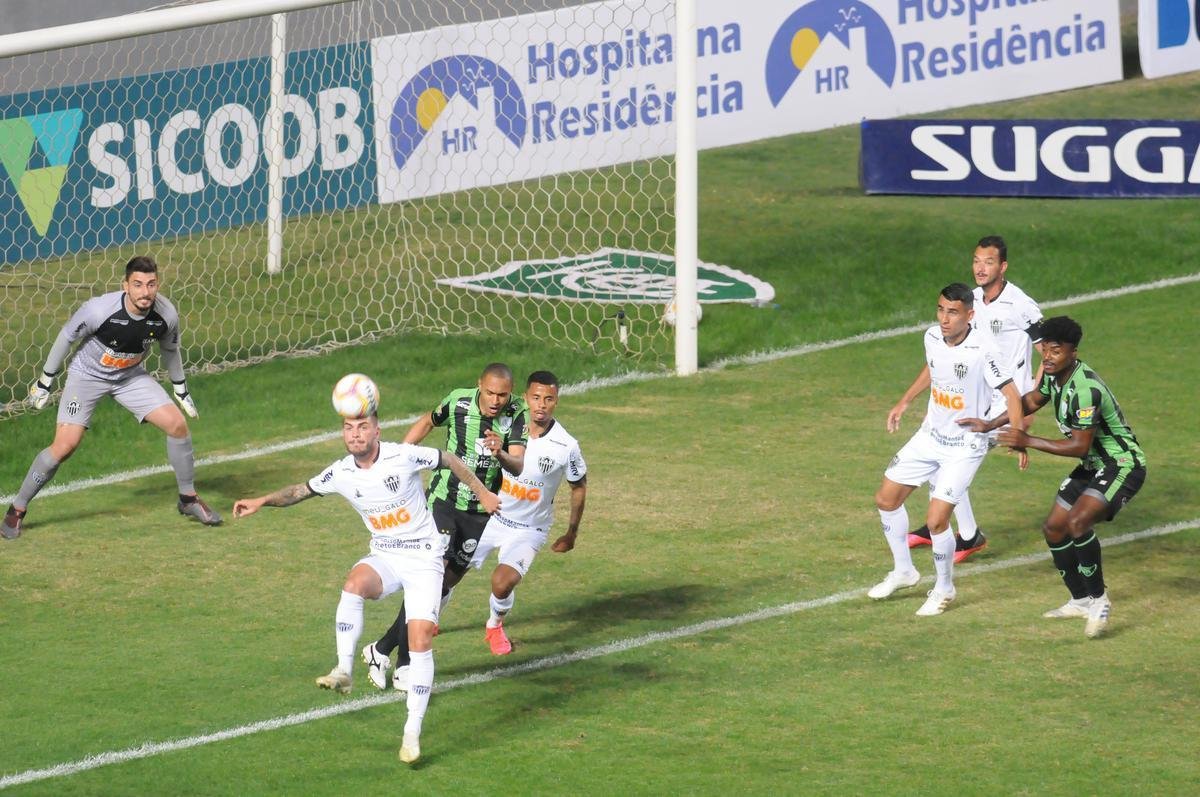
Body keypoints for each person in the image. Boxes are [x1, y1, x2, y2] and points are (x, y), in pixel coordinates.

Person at [232, 405, 499, 764]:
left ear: (377, 431)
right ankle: (344, 670)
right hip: (386, 556)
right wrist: (261, 501)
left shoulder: (402, 455)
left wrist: (482, 492)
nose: (355, 434)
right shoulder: (341, 473)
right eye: (348, 428)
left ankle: (411, 732)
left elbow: (448, 459)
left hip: (423, 560)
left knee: (419, 639)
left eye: (362, 427)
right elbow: (300, 490)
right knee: (354, 583)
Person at [2, 256, 220, 539]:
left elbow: (170, 351)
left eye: (151, 284)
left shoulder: (166, 314)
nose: (145, 291)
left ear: (158, 284)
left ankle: (188, 499)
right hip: (87, 377)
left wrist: (180, 388)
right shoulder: (98, 309)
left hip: (129, 376)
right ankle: (16, 510)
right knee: (65, 446)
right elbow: (66, 336)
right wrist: (45, 381)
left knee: (177, 426)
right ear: (125, 286)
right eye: (138, 284)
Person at [958, 316, 1146, 639]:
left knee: (1077, 523)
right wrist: (990, 424)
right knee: (1054, 528)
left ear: (1073, 351)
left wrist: (1027, 440)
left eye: (1056, 350)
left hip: (1121, 465)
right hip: (1093, 465)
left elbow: (1078, 445)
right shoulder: (1053, 375)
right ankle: (1080, 599)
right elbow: (1032, 400)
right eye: (1044, 349)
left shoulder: (1086, 391)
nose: (1047, 356)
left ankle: (1100, 599)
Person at [360, 363, 528, 690]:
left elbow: (518, 465)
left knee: (440, 588)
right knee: (429, 577)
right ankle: (405, 665)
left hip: (479, 512)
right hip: (442, 501)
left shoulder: (517, 412)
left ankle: (380, 649)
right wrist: (401, 458)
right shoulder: (458, 402)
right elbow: (427, 422)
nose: (495, 400)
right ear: (479, 385)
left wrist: (501, 452)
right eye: (490, 392)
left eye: (502, 394)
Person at [870, 283, 1025, 616]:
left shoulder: (984, 349)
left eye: (952, 312)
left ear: (970, 315)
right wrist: (904, 401)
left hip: (965, 444)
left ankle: (944, 589)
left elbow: (1012, 395)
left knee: (936, 520)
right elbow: (932, 365)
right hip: (930, 436)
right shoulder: (931, 337)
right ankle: (904, 571)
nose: (944, 318)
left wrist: (1018, 435)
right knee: (886, 499)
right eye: (940, 309)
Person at [909, 235, 1043, 562]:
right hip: (973, 395)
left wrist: (1031, 402)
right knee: (934, 446)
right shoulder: (971, 302)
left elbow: (1050, 354)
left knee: (952, 455)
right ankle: (946, 526)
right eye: (976, 261)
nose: (981, 268)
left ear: (1003, 266)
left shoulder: (1020, 305)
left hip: (1004, 403)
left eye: (989, 262)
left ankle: (965, 534)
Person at [468, 370, 587, 655]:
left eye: (548, 399)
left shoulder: (566, 445)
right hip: (489, 517)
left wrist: (572, 532)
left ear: (556, 401)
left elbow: (578, 486)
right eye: (535, 397)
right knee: (446, 571)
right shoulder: (503, 427)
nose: (541, 404)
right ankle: (430, 620)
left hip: (528, 530)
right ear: (525, 398)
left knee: (502, 582)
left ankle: (494, 626)